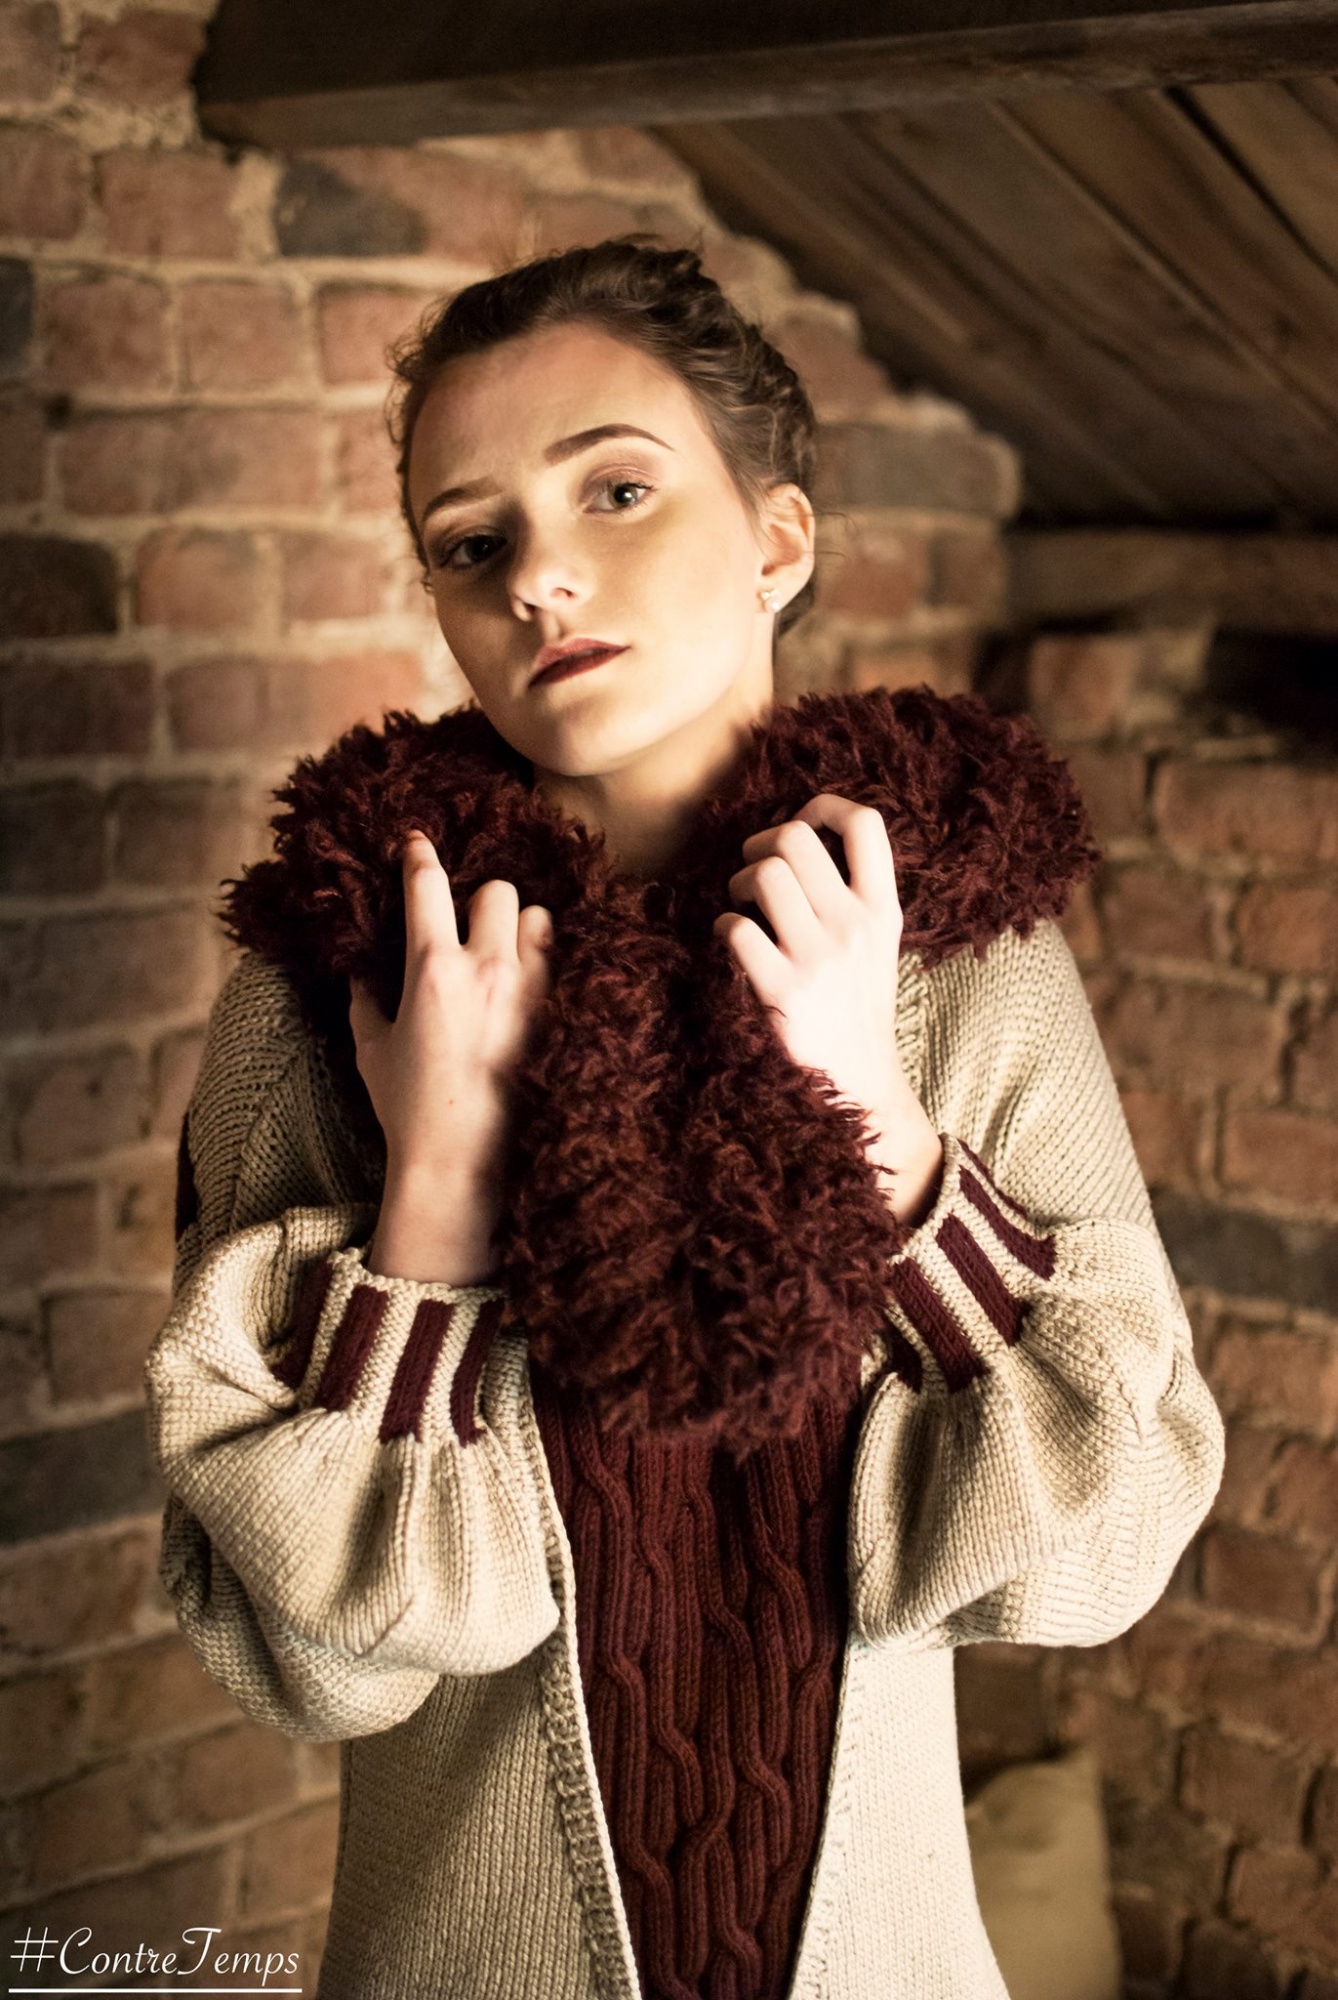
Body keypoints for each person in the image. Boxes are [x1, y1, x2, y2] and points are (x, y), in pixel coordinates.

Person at [145, 238, 1226, 2000]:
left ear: (777, 538)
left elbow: (1097, 1556)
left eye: (617, 489)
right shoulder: (336, 987)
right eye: (470, 542)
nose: (540, 577)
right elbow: (315, 1665)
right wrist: (435, 1191)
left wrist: (872, 1115)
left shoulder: (962, 958)